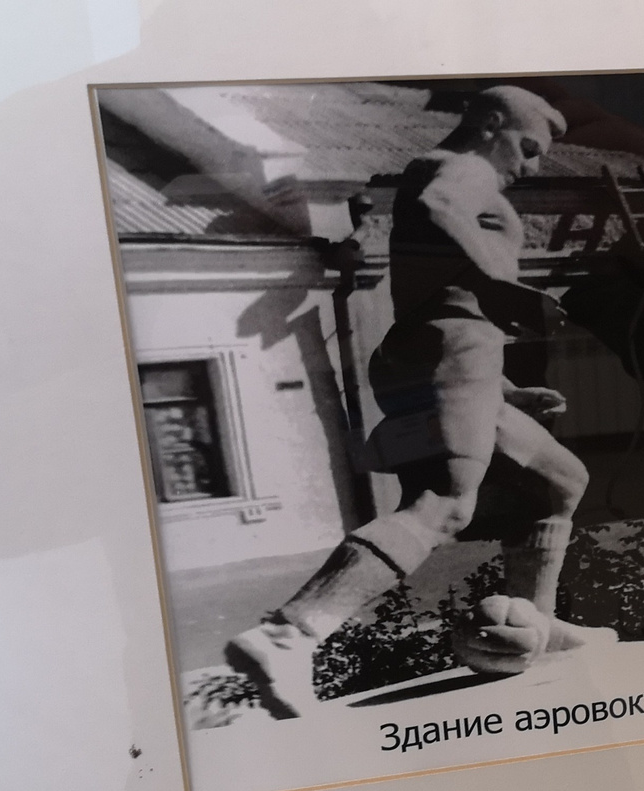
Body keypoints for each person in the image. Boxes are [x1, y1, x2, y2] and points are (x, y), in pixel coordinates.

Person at [225, 85, 612, 719]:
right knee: (444, 505)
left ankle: (538, 621)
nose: (533, 164)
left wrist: (506, 389)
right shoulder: (461, 168)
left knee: (560, 479)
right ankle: (286, 637)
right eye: (528, 147)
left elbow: (441, 291)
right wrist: (505, 288)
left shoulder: (452, 172)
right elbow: (440, 207)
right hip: (452, 352)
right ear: (491, 124)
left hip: (459, 356)